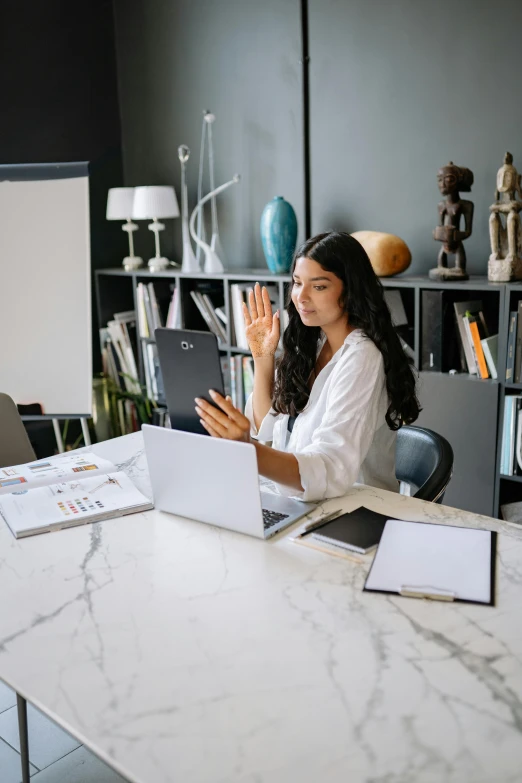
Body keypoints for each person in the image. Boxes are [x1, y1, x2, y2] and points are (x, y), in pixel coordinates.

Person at [195, 231, 421, 501]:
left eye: (319, 286)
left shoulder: (362, 358)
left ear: (350, 291)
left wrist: (248, 450)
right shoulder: (312, 344)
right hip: (297, 502)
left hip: (351, 511)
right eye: (297, 283)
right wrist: (263, 358)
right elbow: (266, 429)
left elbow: (329, 469)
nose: (300, 297)